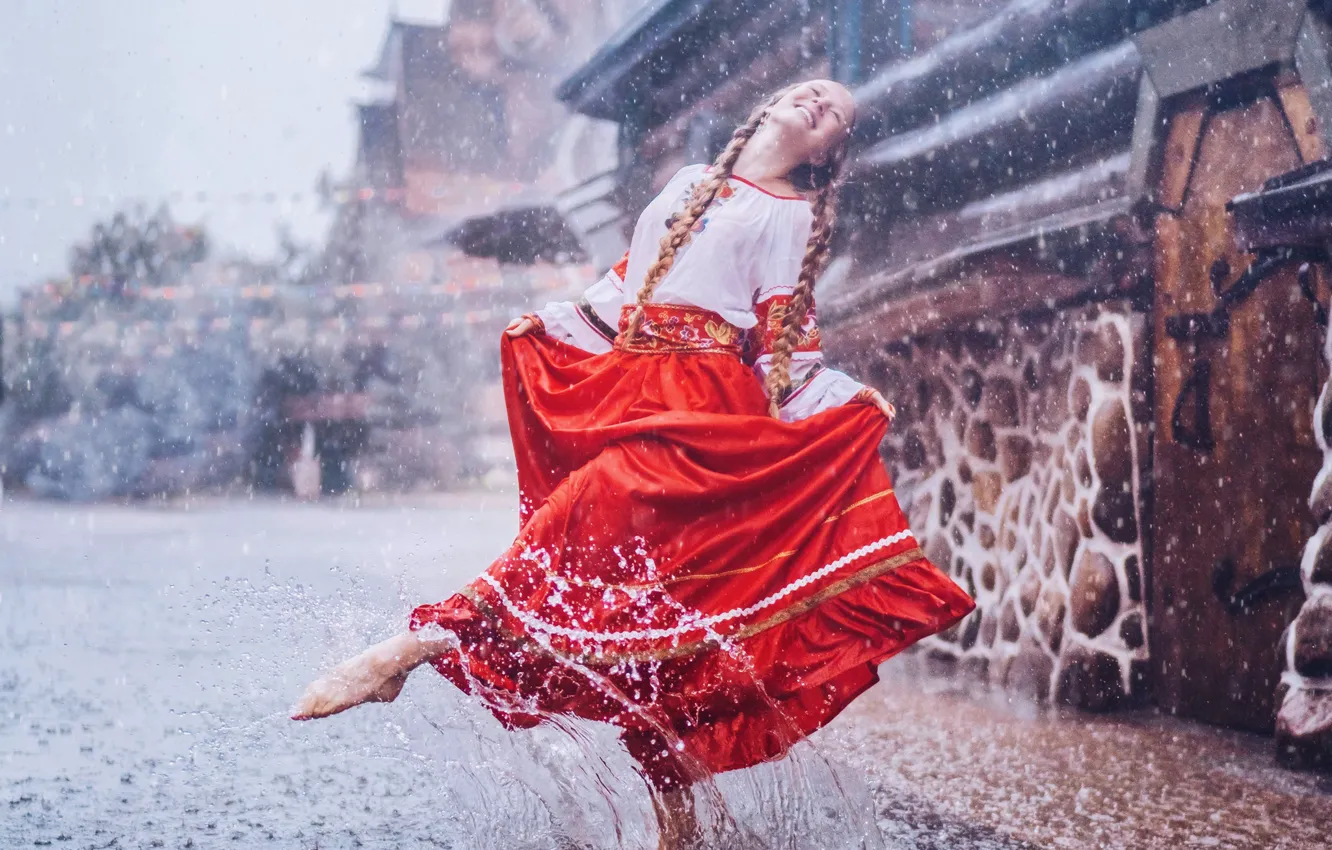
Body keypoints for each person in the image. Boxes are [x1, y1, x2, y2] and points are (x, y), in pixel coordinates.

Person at [292, 79, 975, 845]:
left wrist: (843, 407)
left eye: (838, 115)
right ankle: (677, 826)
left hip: (700, 412)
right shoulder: (689, 182)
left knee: (574, 524)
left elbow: (789, 348)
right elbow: (630, 287)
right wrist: (557, 326)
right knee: (662, 611)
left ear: (828, 152)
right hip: (635, 385)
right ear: (773, 103)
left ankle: (410, 648)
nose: (821, 103)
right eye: (812, 91)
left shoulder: (791, 215)